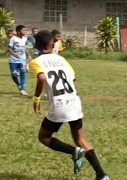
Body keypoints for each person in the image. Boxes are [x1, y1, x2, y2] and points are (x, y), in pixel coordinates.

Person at [29, 30, 109, 180]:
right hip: (74, 102)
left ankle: (74, 151)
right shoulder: (62, 60)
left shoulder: (35, 62)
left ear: (36, 45)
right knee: (81, 138)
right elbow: (72, 80)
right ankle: (101, 174)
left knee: (44, 137)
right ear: (52, 44)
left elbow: (41, 78)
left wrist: (36, 98)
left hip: (59, 105)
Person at [8, 25, 31, 96]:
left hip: (22, 60)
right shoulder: (13, 39)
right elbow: (9, 49)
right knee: (14, 75)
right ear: (18, 32)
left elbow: (25, 48)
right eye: (23, 30)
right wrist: (14, 54)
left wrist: (28, 54)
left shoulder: (25, 39)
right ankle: (19, 85)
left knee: (23, 73)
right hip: (13, 60)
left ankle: (22, 89)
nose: (25, 32)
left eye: (25, 30)